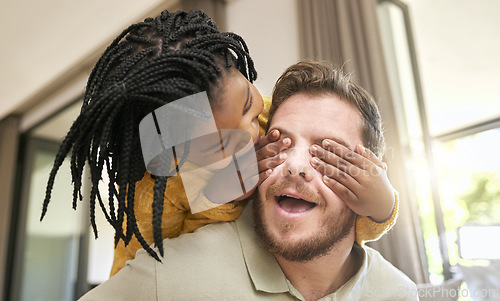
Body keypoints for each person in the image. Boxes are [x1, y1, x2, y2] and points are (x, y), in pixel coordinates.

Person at [41, 8, 397, 279]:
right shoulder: (152, 194)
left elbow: (331, 228)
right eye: (218, 146)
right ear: (167, 152)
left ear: (240, 69)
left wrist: (382, 204)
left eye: (247, 105)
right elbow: (137, 276)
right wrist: (214, 191)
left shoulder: (276, 117)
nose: (252, 134)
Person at [78, 61, 416, 300]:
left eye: (328, 154)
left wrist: (385, 203)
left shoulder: (399, 293)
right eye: (281, 143)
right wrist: (219, 186)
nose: (295, 165)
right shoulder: (162, 273)